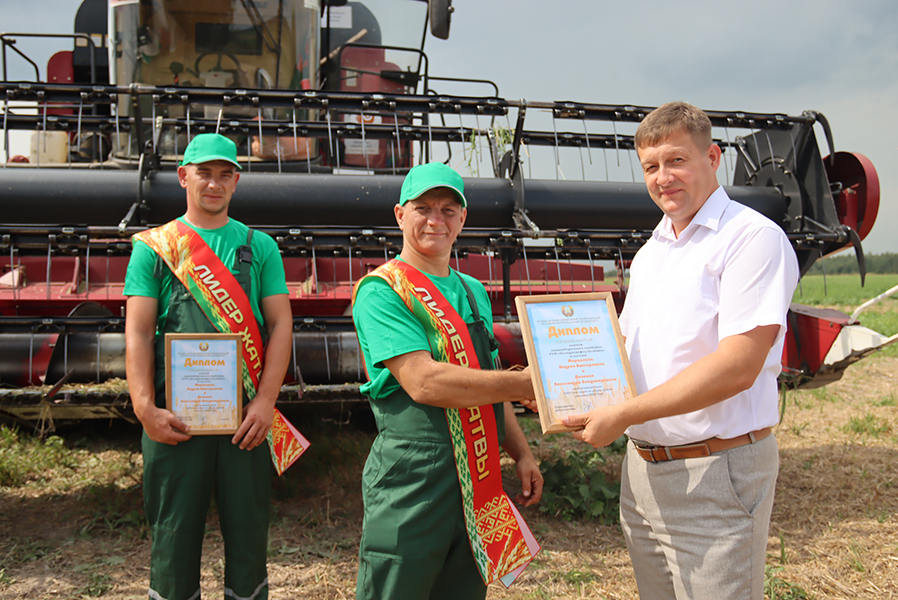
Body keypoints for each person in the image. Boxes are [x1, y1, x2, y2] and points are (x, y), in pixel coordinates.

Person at [563, 102, 799, 599]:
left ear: (712, 157)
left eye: (676, 161)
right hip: (644, 472)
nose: (663, 177)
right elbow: (626, 348)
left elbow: (738, 366)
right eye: (651, 166)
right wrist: (552, 385)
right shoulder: (653, 251)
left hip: (715, 472)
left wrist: (622, 413)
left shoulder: (751, 239)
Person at [351, 162, 543, 600]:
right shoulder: (382, 290)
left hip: (479, 471)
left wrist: (521, 452)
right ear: (400, 215)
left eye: (448, 209)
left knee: (464, 590)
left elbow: (486, 379)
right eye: (423, 208)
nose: (436, 220)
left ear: (463, 219)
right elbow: (424, 383)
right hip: (415, 475)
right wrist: (525, 384)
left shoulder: (473, 290)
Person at [124, 133, 293, 600]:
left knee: (248, 535)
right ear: (183, 177)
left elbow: (281, 325)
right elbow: (137, 332)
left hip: (245, 420)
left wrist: (264, 403)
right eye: (204, 173)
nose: (214, 183)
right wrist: (144, 408)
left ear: (236, 181)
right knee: (173, 536)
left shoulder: (260, 247)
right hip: (173, 420)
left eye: (224, 174)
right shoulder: (154, 248)